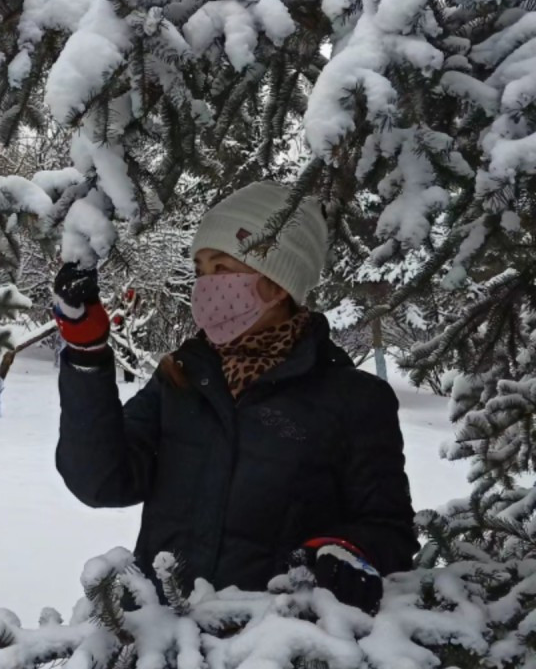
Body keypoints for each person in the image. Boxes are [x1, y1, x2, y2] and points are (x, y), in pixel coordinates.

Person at [52, 180, 417, 615]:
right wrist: (86, 353)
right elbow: (101, 481)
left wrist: (343, 551)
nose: (206, 286)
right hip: (160, 637)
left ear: (277, 284)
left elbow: (389, 532)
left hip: (270, 642)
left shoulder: (353, 401)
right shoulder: (181, 379)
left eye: (222, 269)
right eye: (201, 270)